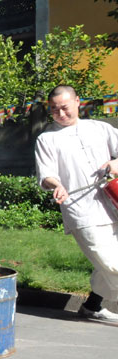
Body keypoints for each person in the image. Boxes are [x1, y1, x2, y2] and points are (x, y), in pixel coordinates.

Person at [35, 85, 118, 322]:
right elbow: (46, 174)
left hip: (111, 203)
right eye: (54, 109)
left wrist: (115, 163)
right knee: (111, 263)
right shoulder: (47, 139)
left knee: (110, 260)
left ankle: (92, 306)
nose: (60, 114)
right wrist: (56, 185)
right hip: (81, 212)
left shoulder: (100, 128)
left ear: (78, 102)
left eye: (65, 108)